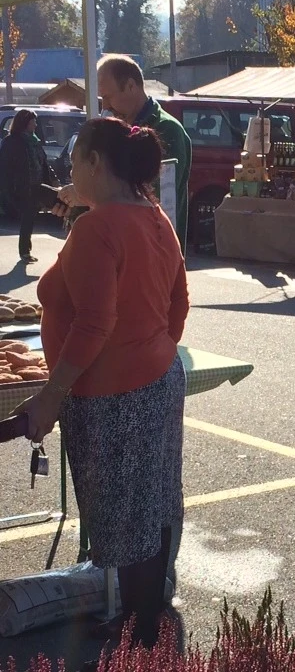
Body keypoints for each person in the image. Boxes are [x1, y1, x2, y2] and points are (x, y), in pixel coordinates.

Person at [15, 118, 188, 651]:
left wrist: (51, 394)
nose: (68, 173)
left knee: (127, 515)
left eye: (73, 162)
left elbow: (94, 322)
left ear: (94, 162)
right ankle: (145, 625)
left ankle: (139, 637)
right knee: (154, 508)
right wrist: (151, 351)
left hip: (114, 393)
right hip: (158, 381)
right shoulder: (153, 217)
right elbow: (178, 304)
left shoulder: (97, 228)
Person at [55, 54, 192, 244]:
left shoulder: (167, 130)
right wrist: (73, 204)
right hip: (120, 247)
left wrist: (84, 196)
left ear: (130, 86)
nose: (106, 106)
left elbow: (152, 197)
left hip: (154, 251)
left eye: (108, 97)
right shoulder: (117, 131)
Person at [0, 109, 50, 262]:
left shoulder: (34, 140)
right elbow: (5, 167)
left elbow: (43, 162)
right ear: (25, 122)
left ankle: (25, 250)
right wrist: (7, 188)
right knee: (27, 217)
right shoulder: (12, 141)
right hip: (21, 186)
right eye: (33, 121)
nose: (35, 124)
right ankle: (25, 251)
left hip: (36, 184)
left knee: (31, 217)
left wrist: (51, 179)